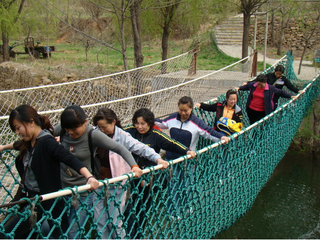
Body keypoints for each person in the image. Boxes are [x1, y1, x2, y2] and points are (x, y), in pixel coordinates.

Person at [0, 105, 99, 239]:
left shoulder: (46, 142)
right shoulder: (29, 141)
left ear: (30, 122)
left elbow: (69, 158)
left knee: (6, 233)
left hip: (44, 203)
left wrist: (90, 177)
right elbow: (18, 145)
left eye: (18, 128)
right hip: (29, 200)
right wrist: (3, 147)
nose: (18, 133)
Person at [55, 105, 143, 239]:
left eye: (74, 130)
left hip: (83, 189)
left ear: (84, 122)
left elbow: (119, 148)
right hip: (61, 188)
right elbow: (44, 136)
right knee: (60, 227)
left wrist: (134, 166)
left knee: (75, 229)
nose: (71, 133)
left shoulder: (92, 134)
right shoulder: (63, 129)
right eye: (67, 130)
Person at [91, 108, 169, 239]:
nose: (102, 130)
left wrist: (158, 159)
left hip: (116, 184)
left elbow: (141, 148)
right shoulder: (94, 134)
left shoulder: (121, 136)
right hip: (97, 183)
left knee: (115, 222)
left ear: (113, 122)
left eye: (104, 127)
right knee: (100, 221)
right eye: (99, 127)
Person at [123, 108, 196, 237]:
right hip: (130, 173)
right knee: (127, 206)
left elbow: (171, 143)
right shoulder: (129, 131)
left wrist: (186, 151)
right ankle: (127, 231)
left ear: (150, 123)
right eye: (137, 123)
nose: (139, 127)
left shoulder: (156, 135)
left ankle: (137, 233)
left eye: (143, 124)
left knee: (141, 206)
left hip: (146, 176)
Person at [154, 96, 229, 218]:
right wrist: (147, 119)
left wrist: (221, 137)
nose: (183, 113)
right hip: (172, 159)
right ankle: (174, 211)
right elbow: (161, 124)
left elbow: (209, 132)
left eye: (186, 111)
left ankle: (187, 206)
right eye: (181, 110)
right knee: (173, 185)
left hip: (188, 159)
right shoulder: (173, 118)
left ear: (191, 109)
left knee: (187, 184)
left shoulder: (196, 122)